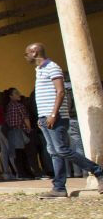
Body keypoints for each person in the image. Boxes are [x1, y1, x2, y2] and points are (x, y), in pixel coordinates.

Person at [24, 43, 103, 198]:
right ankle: (59, 187)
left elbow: (60, 92)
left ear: (34, 53)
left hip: (56, 117)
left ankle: (98, 171)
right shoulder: (39, 70)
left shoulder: (52, 67)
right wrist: (41, 118)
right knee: (54, 152)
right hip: (45, 117)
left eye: (26, 54)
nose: (25, 57)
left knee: (61, 149)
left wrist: (53, 115)